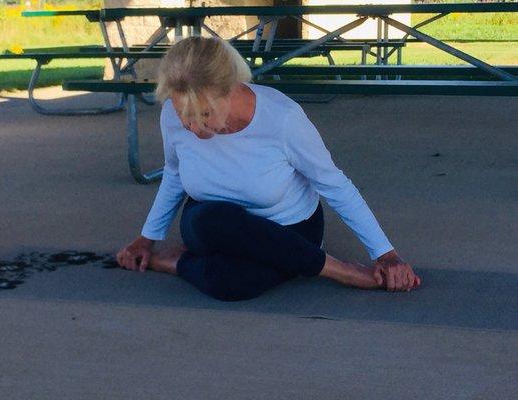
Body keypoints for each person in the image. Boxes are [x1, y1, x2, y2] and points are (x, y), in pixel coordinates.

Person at [116, 36, 421, 301]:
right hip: (212, 223)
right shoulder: (174, 113)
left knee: (232, 283)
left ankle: (173, 262)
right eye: (184, 114)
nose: (191, 126)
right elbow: (174, 174)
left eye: (203, 114)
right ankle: (338, 270)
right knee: (213, 219)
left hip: (287, 227)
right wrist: (146, 238)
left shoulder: (282, 119)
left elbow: (334, 184)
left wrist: (386, 255)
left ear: (230, 90)